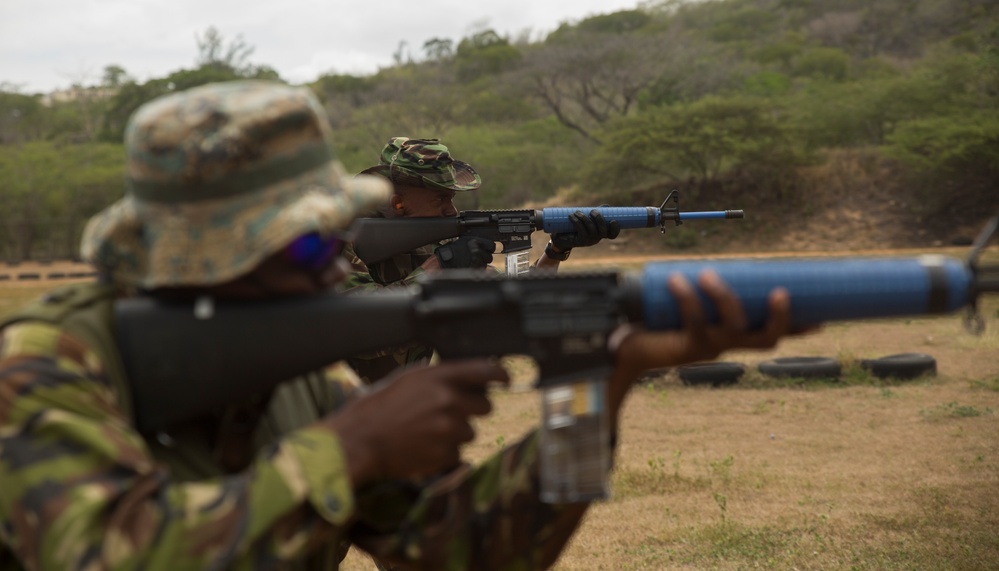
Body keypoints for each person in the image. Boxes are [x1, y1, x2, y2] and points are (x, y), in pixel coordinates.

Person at [0, 80, 802, 571]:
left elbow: (466, 551)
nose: (329, 265)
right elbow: (108, 553)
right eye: (312, 240)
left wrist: (599, 384)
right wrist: (352, 446)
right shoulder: (48, 362)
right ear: (205, 258)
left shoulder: (305, 384)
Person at [340, 136, 621, 383]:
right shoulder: (337, 240)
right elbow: (356, 330)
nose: (452, 211)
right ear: (398, 203)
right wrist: (440, 267)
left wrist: (556, 251)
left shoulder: (435, 241)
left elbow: (515, 305)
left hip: (402, 406)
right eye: (441, 199)